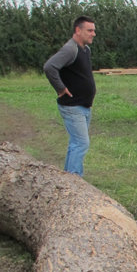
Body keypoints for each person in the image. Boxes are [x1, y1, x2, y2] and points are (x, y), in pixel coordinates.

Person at [44, 15, 97, 176]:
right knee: (81, 143)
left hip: (83, 106)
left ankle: (67, 179)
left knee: (76, 143)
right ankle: (74, 181)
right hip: (72, 106)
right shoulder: (70, 49)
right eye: (89, 30)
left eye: (94, 30)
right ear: (78, 30)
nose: (93, 34)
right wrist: (60, 88)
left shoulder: (85, 50)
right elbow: (49, 67)